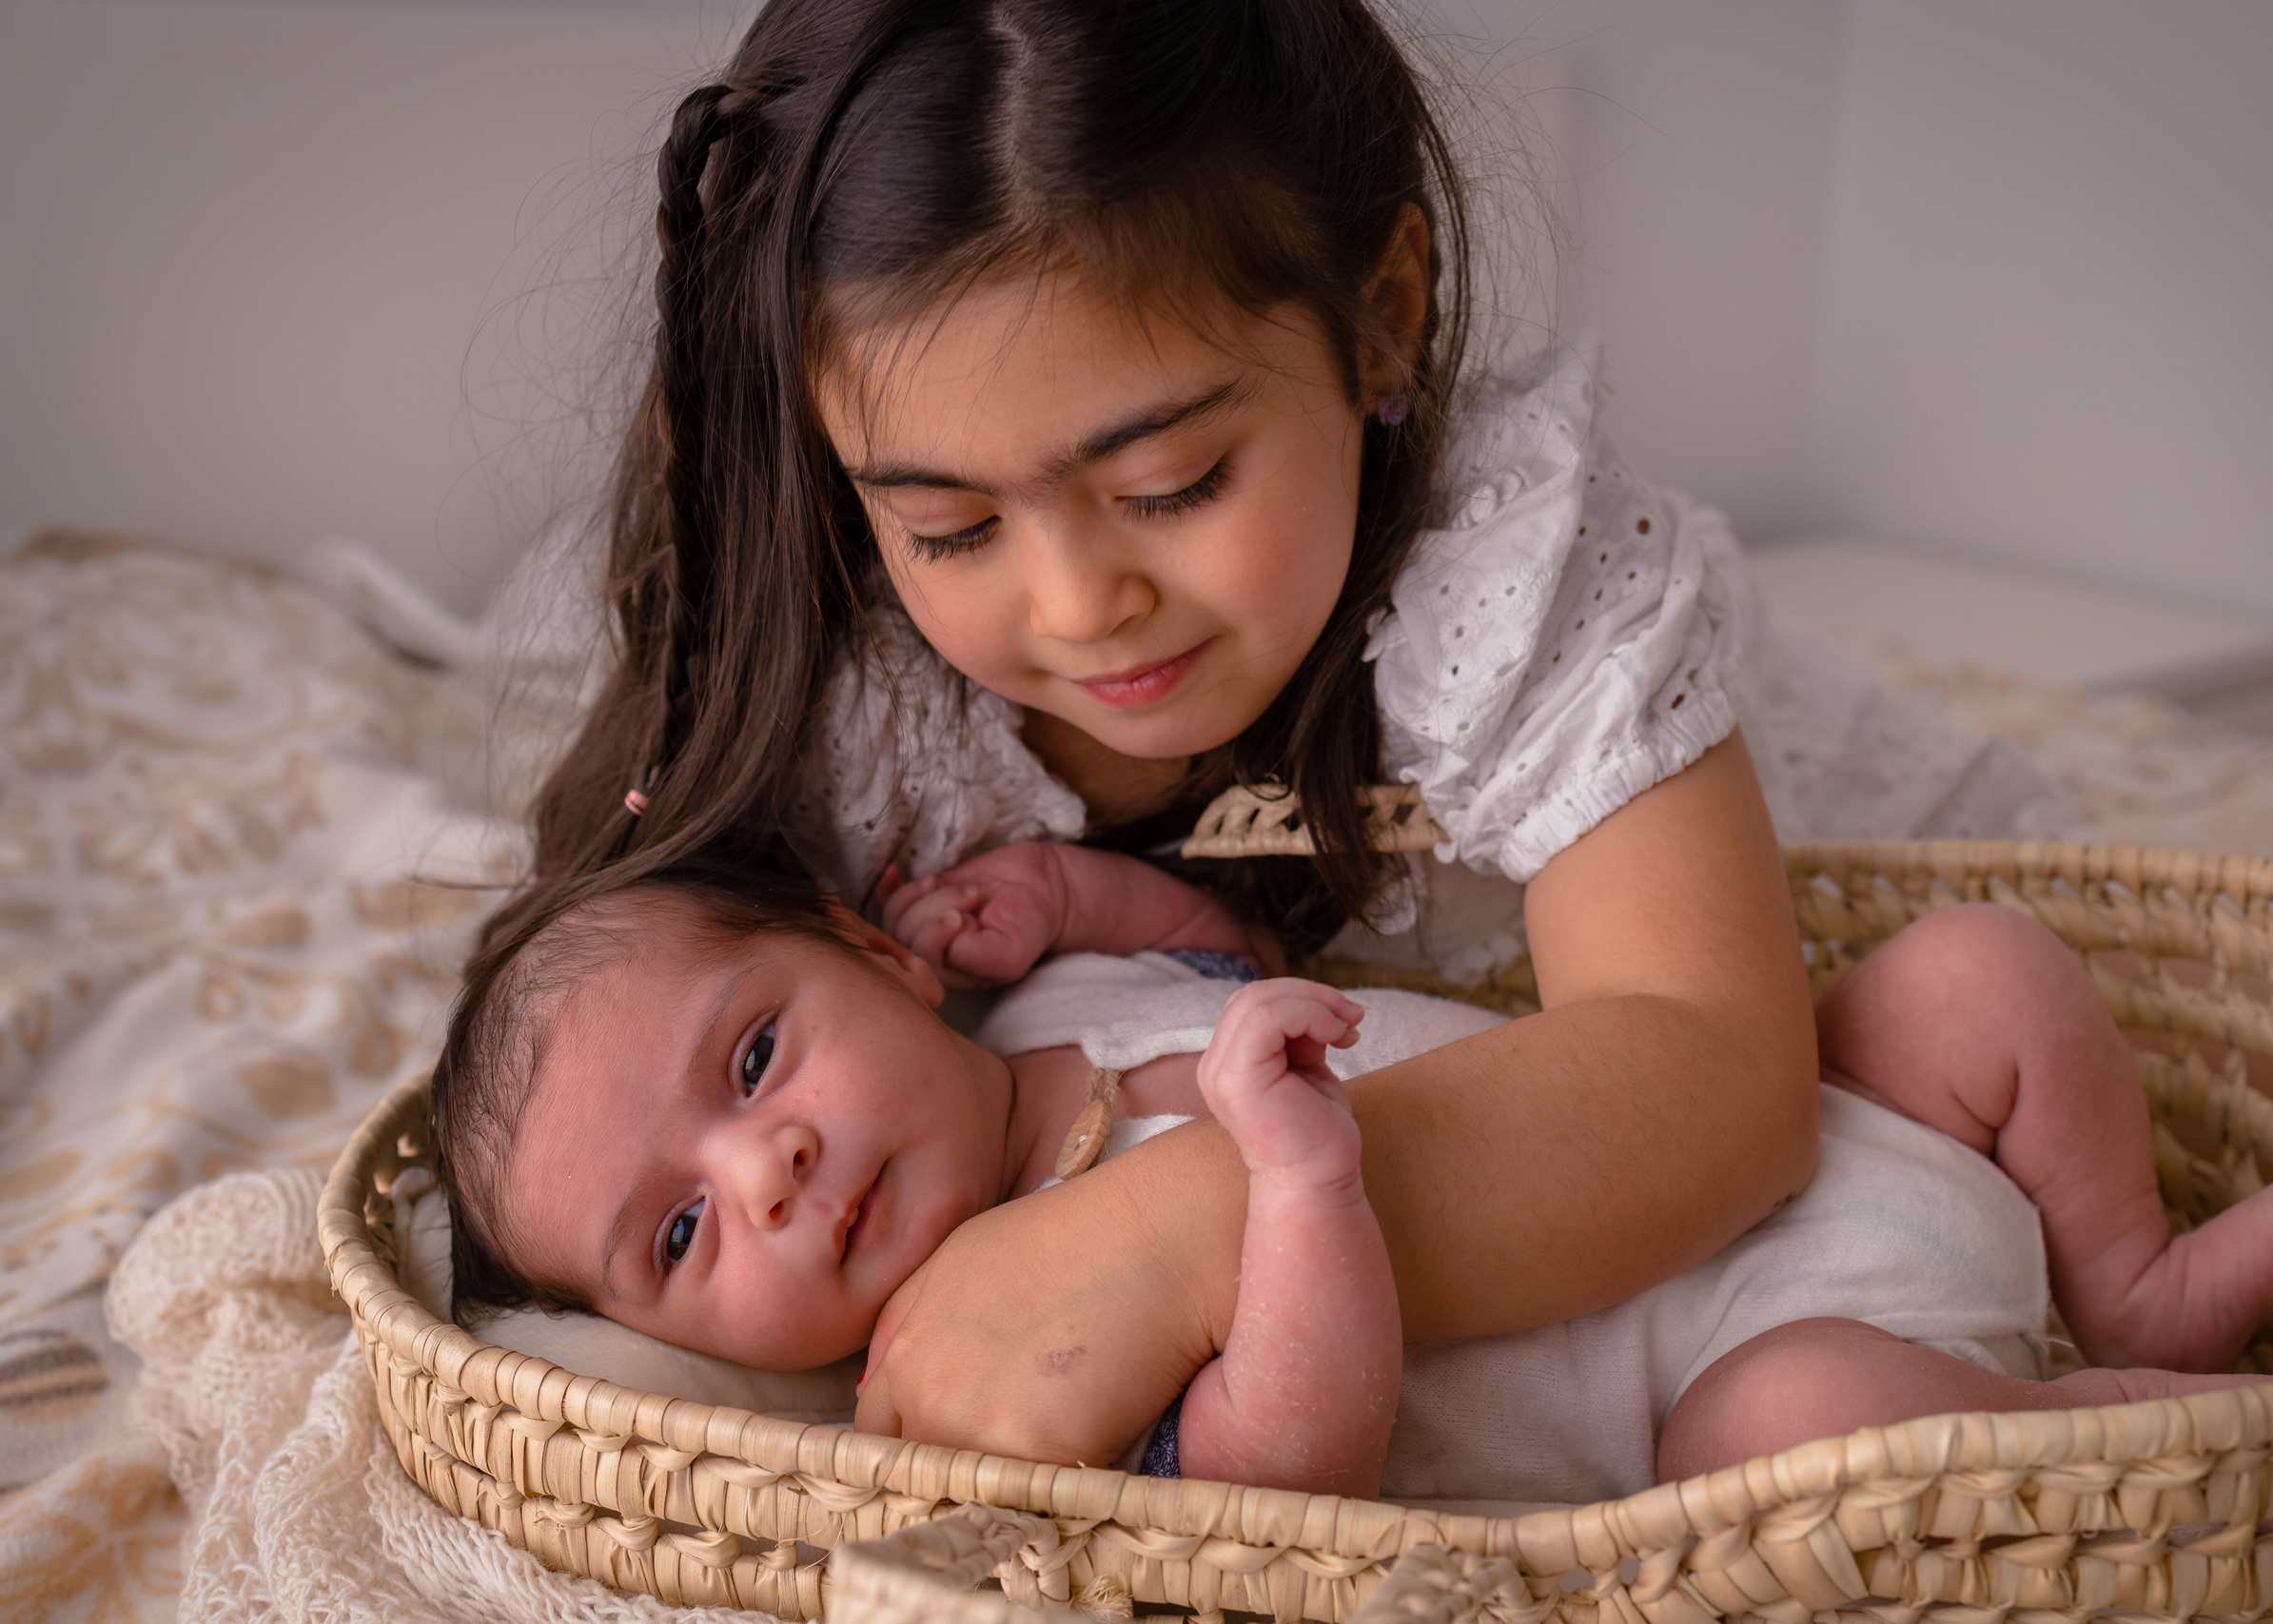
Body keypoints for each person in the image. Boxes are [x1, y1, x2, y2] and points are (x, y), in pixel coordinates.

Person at [508, 0, 1822, 1472]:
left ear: (1382, 306)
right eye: (953, 525)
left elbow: (1721, 1074)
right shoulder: (840, 686)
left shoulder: (1517, 571)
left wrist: (1195, 1226)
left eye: (1174, 481)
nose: (1080, 607)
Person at [430, 845, 2273, 1502]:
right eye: (679, 1232)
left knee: (1977, 968)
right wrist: (1286, 1187)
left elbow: (1228, 942)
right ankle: (2126, 1402)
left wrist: (1083, 891)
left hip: (1832, 1130)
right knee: (1776, 1434)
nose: (763, 1164)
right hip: (1791, 1337)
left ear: (880, 946)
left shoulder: (1053, 996)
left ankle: (2109, 1264)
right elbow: (1294, 1461)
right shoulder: (991, 1355)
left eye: (750, 1057)